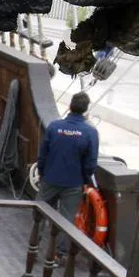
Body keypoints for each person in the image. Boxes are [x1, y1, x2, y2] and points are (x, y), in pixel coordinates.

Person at [36, 91, 98, 232]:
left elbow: (43, 154)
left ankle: (35, 244)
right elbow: (91, 163)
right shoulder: (90, 132)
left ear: (70, 106)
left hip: (50, 179)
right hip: (73, 183)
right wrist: (86, 180)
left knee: (39, 213)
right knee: (67, 221)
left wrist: (41, 172)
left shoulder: (53, 127)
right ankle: (60, 253)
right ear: (86, 109)